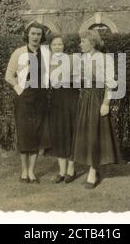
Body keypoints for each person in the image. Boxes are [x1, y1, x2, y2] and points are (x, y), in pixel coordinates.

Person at [72, 29, 121, 189]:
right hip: (84, 98)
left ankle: (93, 171)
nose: (80, 44)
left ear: (92, 42)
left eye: (83, 41)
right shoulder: (82, 58)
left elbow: (110, 83)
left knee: (95, 135)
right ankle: (91, 167)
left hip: (98, 98)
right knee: (85, 134)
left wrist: (106, 103)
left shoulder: (104, 59)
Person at [5, 22, 51, 184]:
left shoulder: (46, 53)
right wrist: (19, 89)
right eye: (33, 33)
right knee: (25, 134)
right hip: (24, 99)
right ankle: (24, 171)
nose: (36, 37)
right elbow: (9, 76)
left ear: (42, 36)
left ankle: (32, 172)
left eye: (39, 34)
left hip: (40, 98)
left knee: (38, 134)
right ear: (28, 35)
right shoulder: (18, 53)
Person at [47, 35, 79, 184]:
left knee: (70, 132)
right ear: (50, 46)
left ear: (64, 46)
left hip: (70, 97)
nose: (58, 47)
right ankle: (61, 171)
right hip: (56, 99)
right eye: (55, 44)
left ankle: (71, 169)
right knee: (59, 133)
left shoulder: (71, 59)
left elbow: (78, 79)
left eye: (60, 44)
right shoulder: (48, 62)